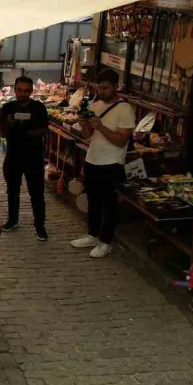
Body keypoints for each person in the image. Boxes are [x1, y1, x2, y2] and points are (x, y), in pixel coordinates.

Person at [71, 69, 135, 258]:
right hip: (93, 159)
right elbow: (88, 137)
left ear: (116, 86)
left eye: (106, 88)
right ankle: (92, 234)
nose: (102, 92)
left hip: (112, 163)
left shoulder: (125, 110)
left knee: (109, 204)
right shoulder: (96, 105)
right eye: (100, 88)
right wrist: (84, 124)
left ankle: (106, 242)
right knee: (93, 200)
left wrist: (100, 126)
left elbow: (121, 140)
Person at [0, 76, 49, 241]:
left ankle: (39, 226)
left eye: (26, 91)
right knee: (12, 190)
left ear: (31, 91)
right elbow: (2, 132)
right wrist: (9, 125)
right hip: (13, 156)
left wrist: (27, 132)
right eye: (20, 90)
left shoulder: (39, 108)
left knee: (37, 193)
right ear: (15, 89)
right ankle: (12, 220)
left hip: (34, 157)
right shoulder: (7, 108)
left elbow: (43, 131)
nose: (23, 94)